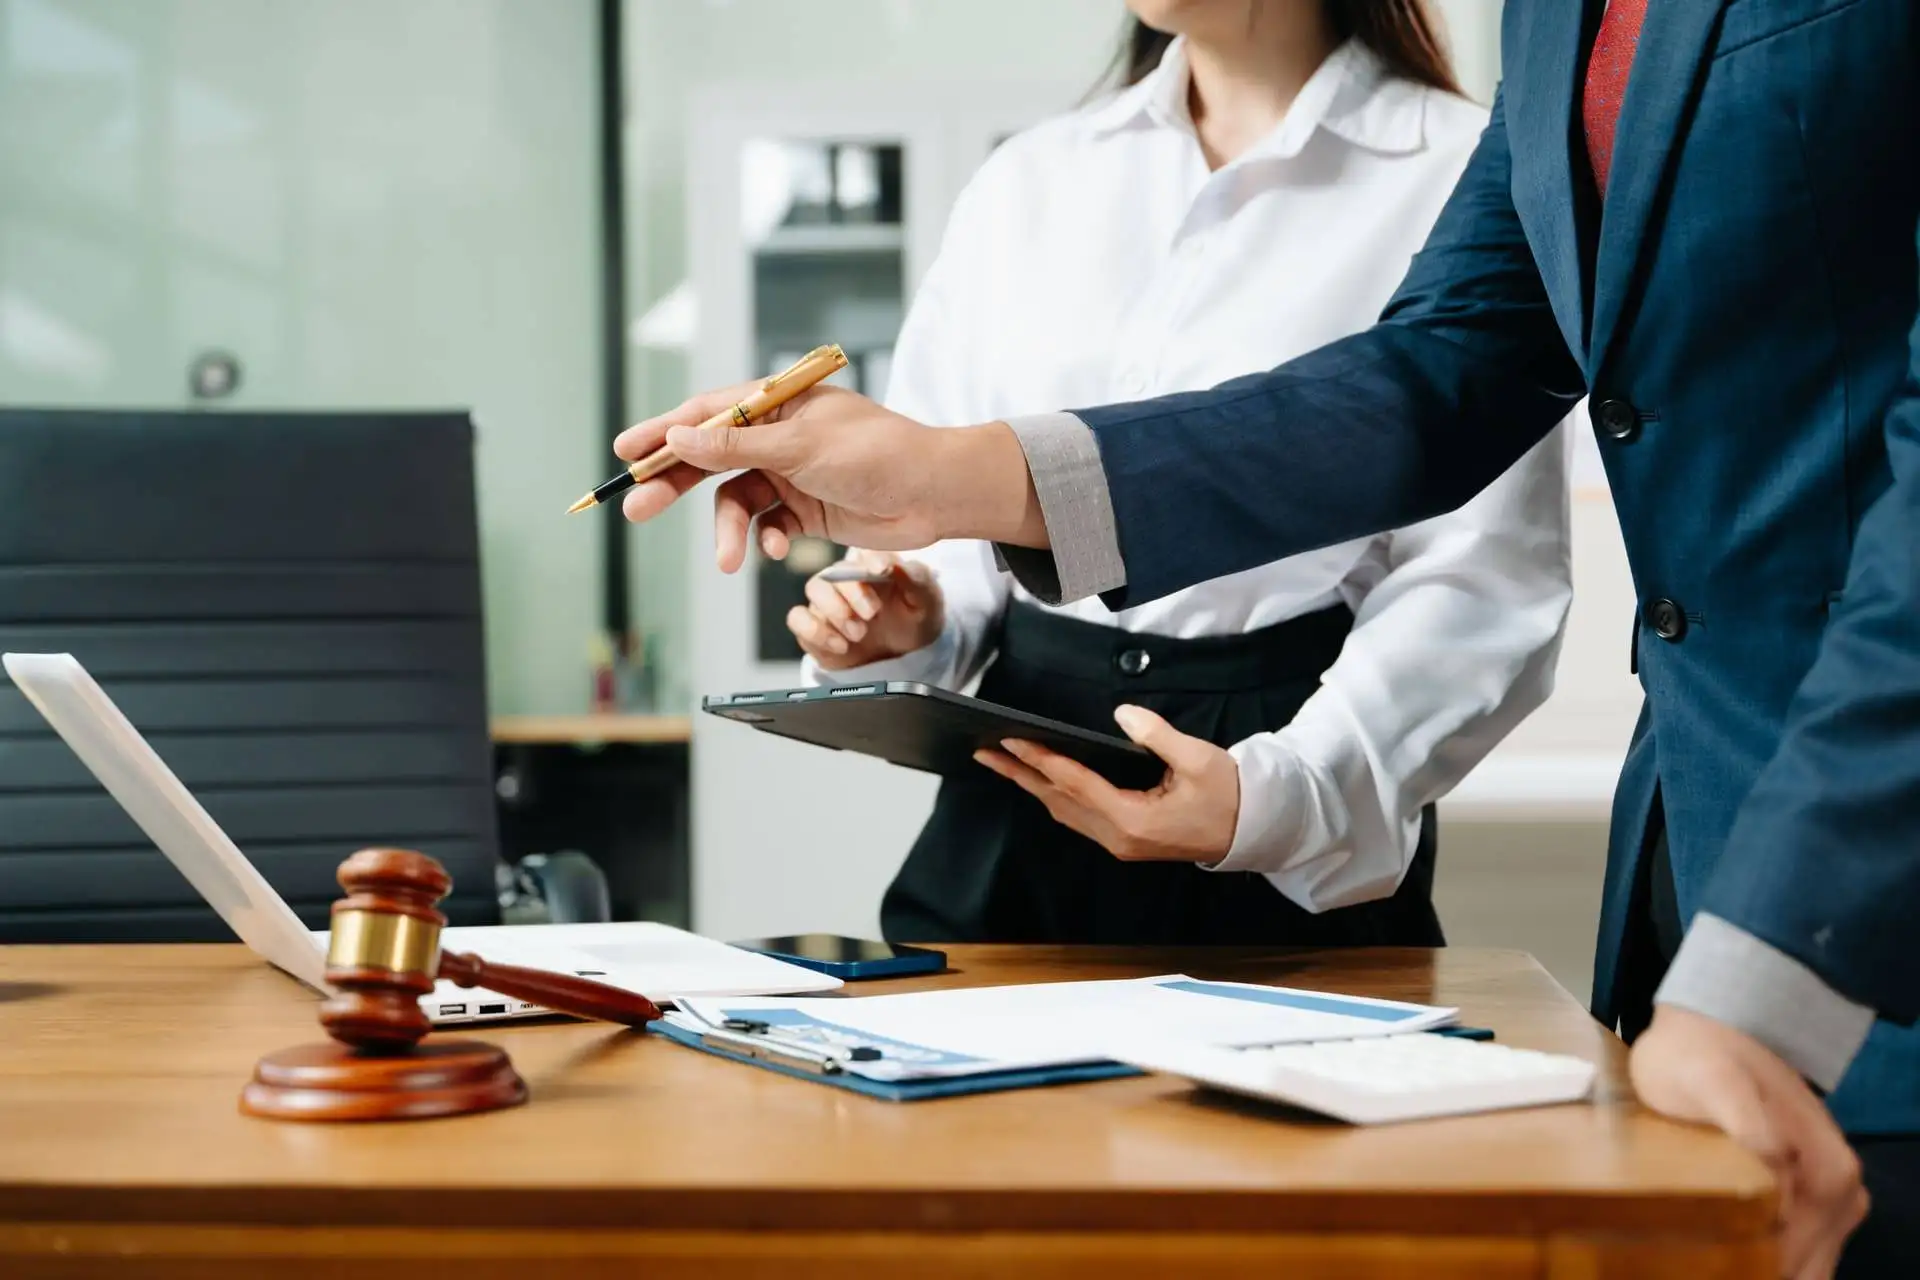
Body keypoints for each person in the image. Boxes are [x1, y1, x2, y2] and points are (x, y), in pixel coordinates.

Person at [615, 2, 1920, 1272]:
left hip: (1815, 872)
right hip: (1674, 887)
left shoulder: (1439, 139)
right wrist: (947, 488)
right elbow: (1430, 380)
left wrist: (1283, 795)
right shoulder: (1538, 27)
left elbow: (1478, 559)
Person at [779, 1, 1573, 948]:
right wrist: (910, 623)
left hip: (1278, 775)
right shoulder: (1032, 178)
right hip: (1015, 794)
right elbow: (940, 505)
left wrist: (1280, 798)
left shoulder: (1461, 169)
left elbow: (1480, 577)